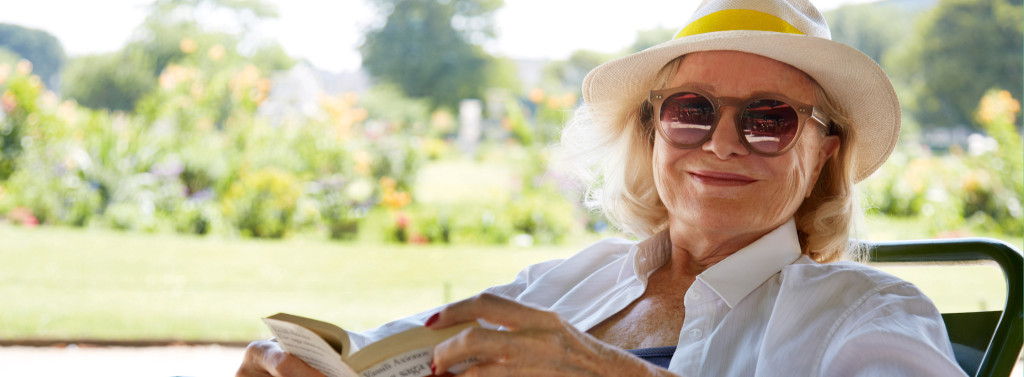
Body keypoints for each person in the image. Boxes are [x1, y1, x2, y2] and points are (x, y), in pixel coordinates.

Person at [237, 0, 967, 376]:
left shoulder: (866, 313)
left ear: (823, 151)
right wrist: (298, 360)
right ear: (652, 133)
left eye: (769, 119)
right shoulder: (570, 280)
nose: (720, 141)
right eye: (692, 110)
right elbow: (383, 351)